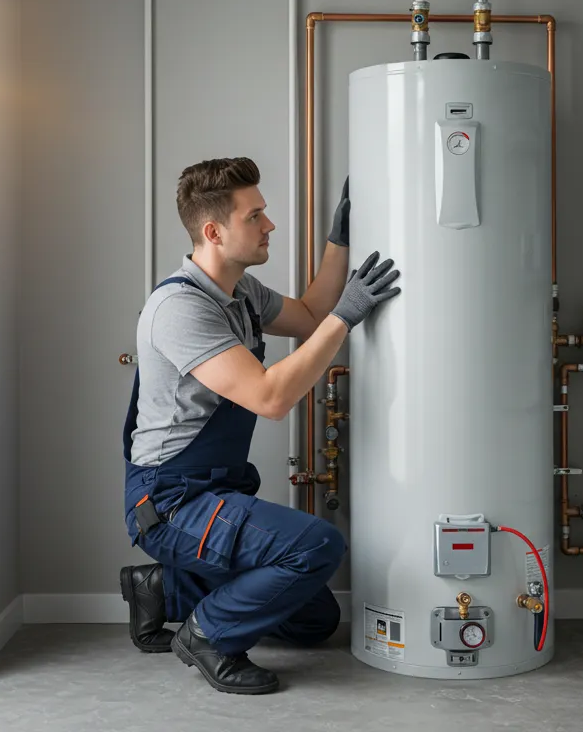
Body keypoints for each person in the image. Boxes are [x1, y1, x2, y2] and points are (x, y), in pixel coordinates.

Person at [118, 157, 400, 695]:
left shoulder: (241, 292)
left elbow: (312, 315)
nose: (269, 225)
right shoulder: (181, 308)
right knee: (317, 547)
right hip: (171, 503)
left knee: (312, 620)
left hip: (212, 492)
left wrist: (340, 237)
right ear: (213, 231)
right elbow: (270, 398)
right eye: (256, 216)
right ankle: (205, 634)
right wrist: (351, 314)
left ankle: (164, 590)